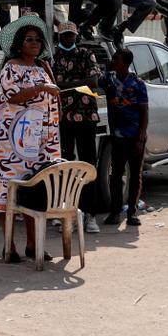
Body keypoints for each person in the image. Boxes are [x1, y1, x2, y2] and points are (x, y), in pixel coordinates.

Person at [0, 19, 61, 263]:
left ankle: (32, 245)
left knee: (35, 192)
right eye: (30, 39)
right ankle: (9, 246)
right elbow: (14, 97)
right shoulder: (10, 67)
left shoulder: (43, 68)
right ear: (19, 44)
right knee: (8, 192)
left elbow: (52, 98)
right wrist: (43, 89)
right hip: (9, 141)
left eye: (38, 40)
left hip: (38, 140)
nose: (35, 44)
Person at [52, 22, 102, 234]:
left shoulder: (86, 53)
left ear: (76, 35)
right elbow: (55, 84)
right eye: (64, 36)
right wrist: (79, 84)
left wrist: (67, 85)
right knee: (63, 165)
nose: (68, 39)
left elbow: (93, 82)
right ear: (59, 36)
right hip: (64, 118)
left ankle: (90, 214)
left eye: (71, 35)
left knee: (87, 165)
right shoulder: (55, 57)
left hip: (86, 118)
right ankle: (62, 211)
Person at [99, 48, 149, 226]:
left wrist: (141, 137)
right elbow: (97, 82)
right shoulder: (109, 79)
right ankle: (115, 212)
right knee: (116, 174)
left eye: (117, 59)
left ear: (126, 63)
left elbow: (144, 112)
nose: (113, 61)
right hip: (117, 136)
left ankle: (132, 213)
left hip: (134, 135)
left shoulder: (138, 84)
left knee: (135, 175)